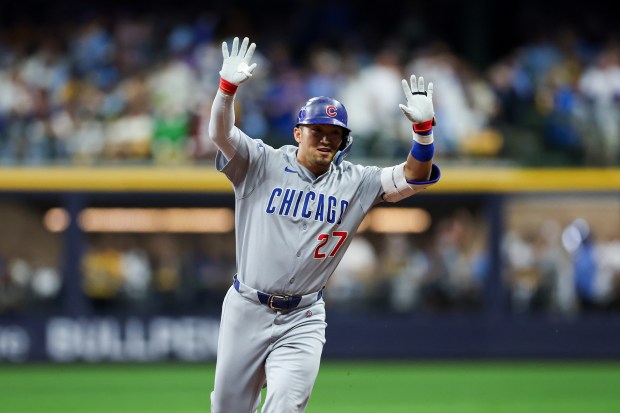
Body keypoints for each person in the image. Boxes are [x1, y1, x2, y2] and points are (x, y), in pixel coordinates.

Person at [208, 36, 441, 413]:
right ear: (298, 132)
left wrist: (425, 131)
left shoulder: (357, 181)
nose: (327, 139)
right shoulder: (261, 162)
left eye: (336, 135)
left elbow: (415, 176)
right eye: (318, 130)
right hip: (247, 308)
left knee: (287, 404)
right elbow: (220, 135)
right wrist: (227, 91)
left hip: (304, 315)